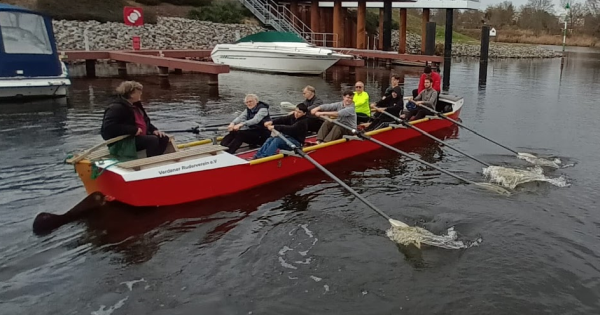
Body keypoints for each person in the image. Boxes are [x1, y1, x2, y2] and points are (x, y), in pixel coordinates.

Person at [100, 81, 169, 158]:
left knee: (164, 138)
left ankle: (157, 159)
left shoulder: (136, 105)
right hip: (124, 141)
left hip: (137, 137)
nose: (141, 94)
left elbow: (145, 121)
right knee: (152, 140)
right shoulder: (116, 108)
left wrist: (154, 130)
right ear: (131, 94)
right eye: (139, 92)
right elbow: (109, 128)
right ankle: (150, 162)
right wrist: (133, 130)